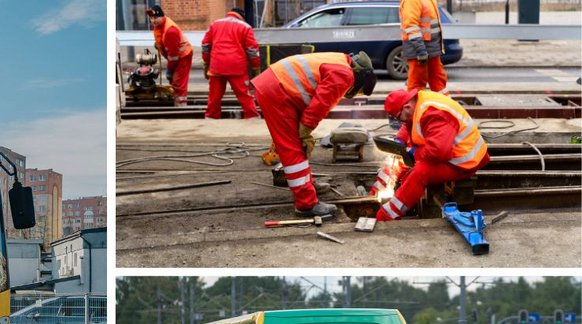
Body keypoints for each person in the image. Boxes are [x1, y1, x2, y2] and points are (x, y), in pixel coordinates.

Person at [251, 51, 377, 217]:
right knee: (293, 148)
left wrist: (305, 131)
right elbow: (320, 105)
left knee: (296, 145)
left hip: (277, 86)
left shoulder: (340, 61)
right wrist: (305, 130)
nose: (353, 92)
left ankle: (306, 185)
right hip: (278, 91)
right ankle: (306, 204)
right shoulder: (345, 74)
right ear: (361, 76)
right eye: (358, 90)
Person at [376, 88, 490, 221]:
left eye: (398, 117)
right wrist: (400, 140)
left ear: (407, 107)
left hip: (463, 162)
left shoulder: (434, 115)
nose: (399, 121)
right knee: (401, 157)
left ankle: (386, 215)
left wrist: (415, 153)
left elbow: (438, 152)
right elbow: (411, 122)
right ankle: (376, 190)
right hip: (450, 150)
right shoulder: (418, 102)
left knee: (420, 172)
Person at [201, 8, 260, 119]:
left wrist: (206, 62)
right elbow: (252, 50)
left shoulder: (215, 24)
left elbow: (205, 46)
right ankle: (252, 117)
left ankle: (211, 118)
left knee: (214, 96)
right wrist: (255, 67)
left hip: (217, 66)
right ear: (242, 17)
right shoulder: (245, 27)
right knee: (244, 95)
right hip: (236, 67)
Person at [146, 5, 193, 107]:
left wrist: (169, 70)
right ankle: (177, 101)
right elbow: (162, 38)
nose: (153, 20)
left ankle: (181, 106)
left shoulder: (170, 31)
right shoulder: (160, 25)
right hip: (176, 55)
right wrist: (159, 45)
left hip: (183, 56)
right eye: (151, 18)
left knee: (178, 83)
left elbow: (173, 56)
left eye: (155, 18)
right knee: (174, 81)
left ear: (162, 17)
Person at [400, 0, 447, 93]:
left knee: (438, 80)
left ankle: (444, 104)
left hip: (431, 48)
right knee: (417, 84)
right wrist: (421, 50)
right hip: (419, 50)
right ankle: (414, 106)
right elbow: (411, 26)